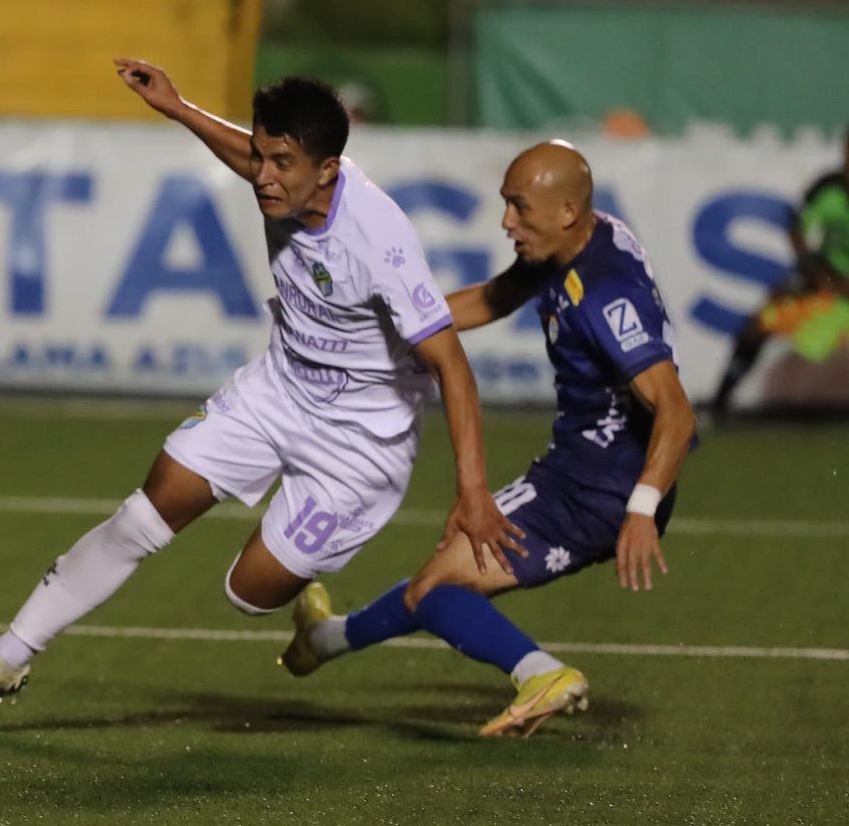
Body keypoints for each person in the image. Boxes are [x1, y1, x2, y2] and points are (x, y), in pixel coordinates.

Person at [0, 61, 519, 715]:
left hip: (359, 446)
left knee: (248, 592)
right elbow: (251, 154)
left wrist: (473, 492)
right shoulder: (283, 181)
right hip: (277, 391)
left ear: (328, 171)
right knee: (145, 512)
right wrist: (178, 107)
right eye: (259, 156)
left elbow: (452, 366)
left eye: (282, 162)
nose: (262, 175)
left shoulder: (379, 239)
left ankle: (304, 592)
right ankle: (8, 655)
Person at [281, 141, 699, 736]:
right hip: (594, 477)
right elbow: (492, 298)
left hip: (597, 487)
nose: (506, 221)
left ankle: (541, 673)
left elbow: (677, 413)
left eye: (519, 208)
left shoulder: (605, 294)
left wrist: (640, 509)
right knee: (437, 583)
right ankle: (321, 641)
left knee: (434, 587)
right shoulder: (581, 239)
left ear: (566, 211)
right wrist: (385, 329)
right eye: (507, 204)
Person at [707, 128, 849, 419]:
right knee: (758, 324)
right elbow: (798, 228)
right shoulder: (828, 188)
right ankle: (719, 402)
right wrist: (813, 271)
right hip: (829, 288)